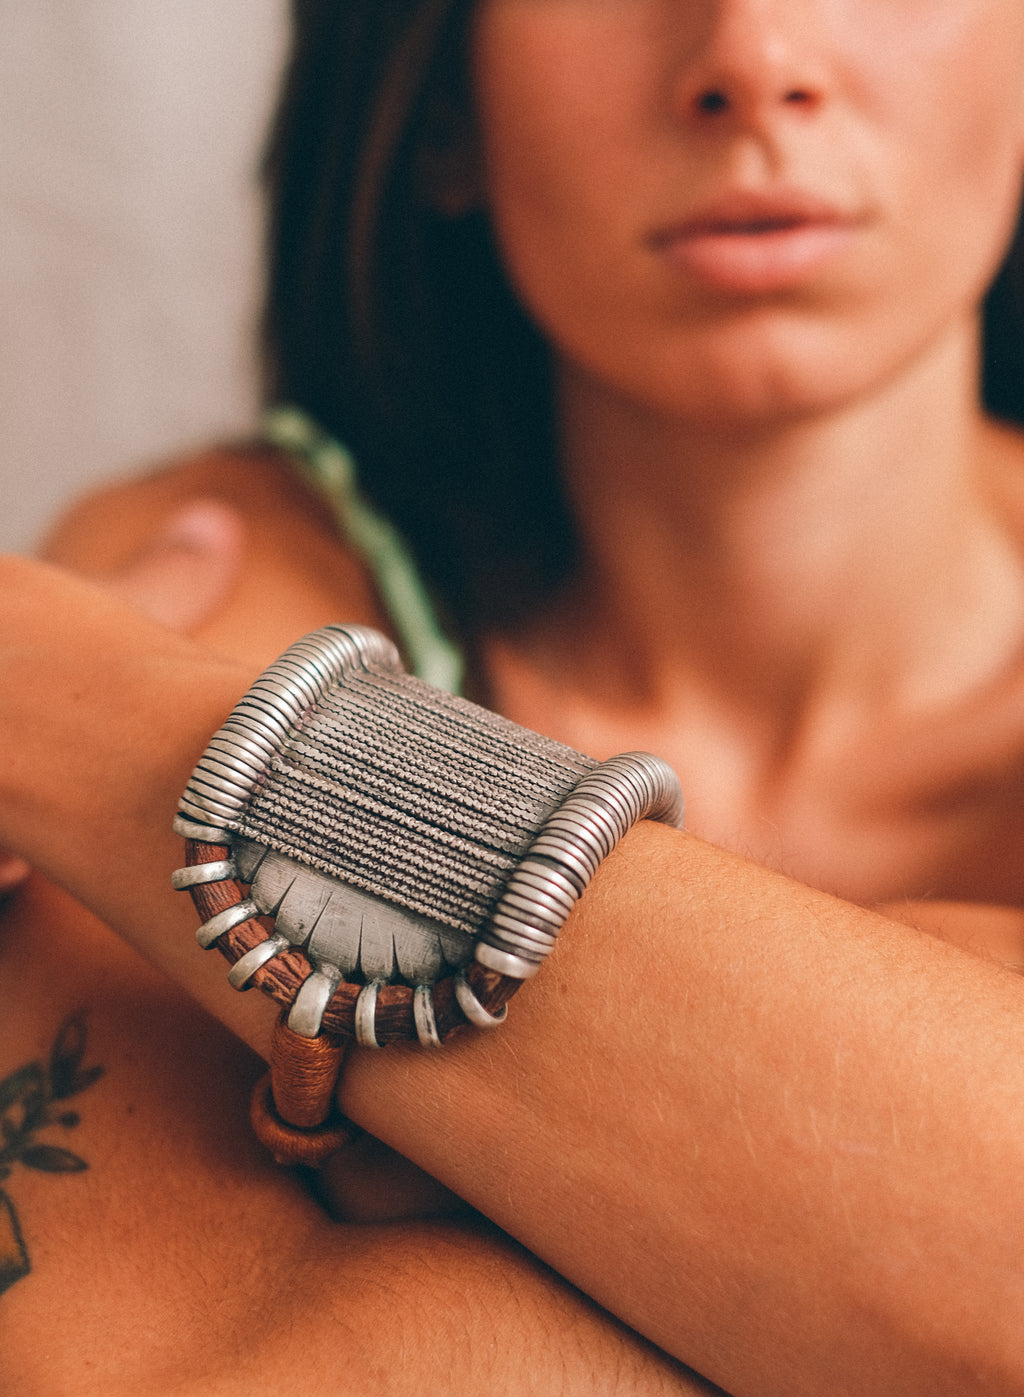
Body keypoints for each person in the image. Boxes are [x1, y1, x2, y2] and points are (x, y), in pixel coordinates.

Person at [3, 0, 1024, 1391]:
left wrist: (61, 700)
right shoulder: (219, 560)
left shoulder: (100, 657)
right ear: (435, 110)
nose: (754, 57)